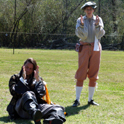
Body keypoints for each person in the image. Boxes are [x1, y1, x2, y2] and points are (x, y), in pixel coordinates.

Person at [7, 58, 66, 124]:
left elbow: (41, 94)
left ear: (33, 70)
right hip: (20, 109)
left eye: (30, 68)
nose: (28, 70)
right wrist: (22, 80)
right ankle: (35, 114)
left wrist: (38, 81)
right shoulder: (15, 78)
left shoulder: (37, 78)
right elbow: (14, 92)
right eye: (27, 67)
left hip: (37, 107)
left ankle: (50, 120)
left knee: (58, 108)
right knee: (28, 94)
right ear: (23, 67)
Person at [72, 1, 105, 107]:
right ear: (85, 10)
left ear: (93, 10)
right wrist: (82, 25)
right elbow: (83, 36)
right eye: (87, 9)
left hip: (96, 48)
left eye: (91, 9)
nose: (89, 11)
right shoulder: (79, 20)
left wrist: (97, 26)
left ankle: (90, 100)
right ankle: (77, 100)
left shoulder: (98, 20)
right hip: (84, 47)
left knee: (94, 74)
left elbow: (100, 34)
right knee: (81, 73)